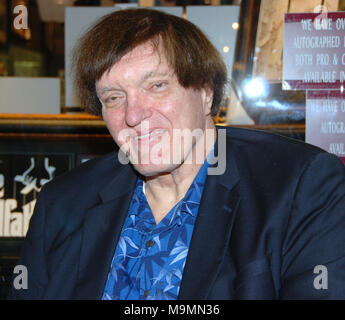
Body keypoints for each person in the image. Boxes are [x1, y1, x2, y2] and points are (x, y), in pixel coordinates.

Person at [8, 8, 345, 300]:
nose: (133, 115)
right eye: (113, 97)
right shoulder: (65, 201)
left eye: (156, 85)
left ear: (206, 93)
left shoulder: (302, 187)